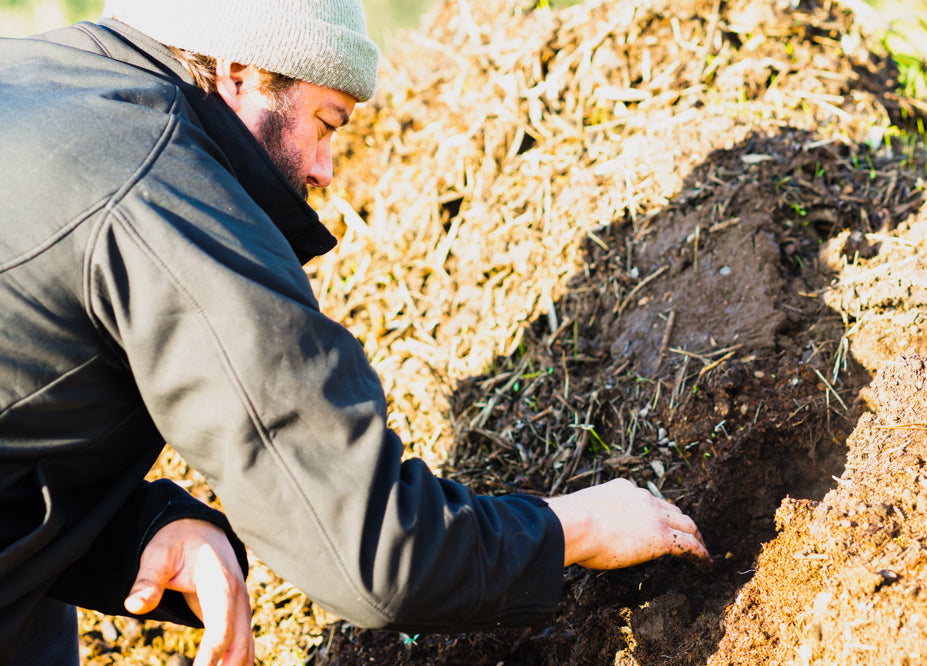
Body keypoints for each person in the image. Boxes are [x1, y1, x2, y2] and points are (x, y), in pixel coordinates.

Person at [0, 1, 710, 664]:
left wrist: (140, 530)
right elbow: (372, 554)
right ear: (239, 71)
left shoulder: (31, 77)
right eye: (328, 121)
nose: (325, 168)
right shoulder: (164, 193)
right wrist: (573, 529)